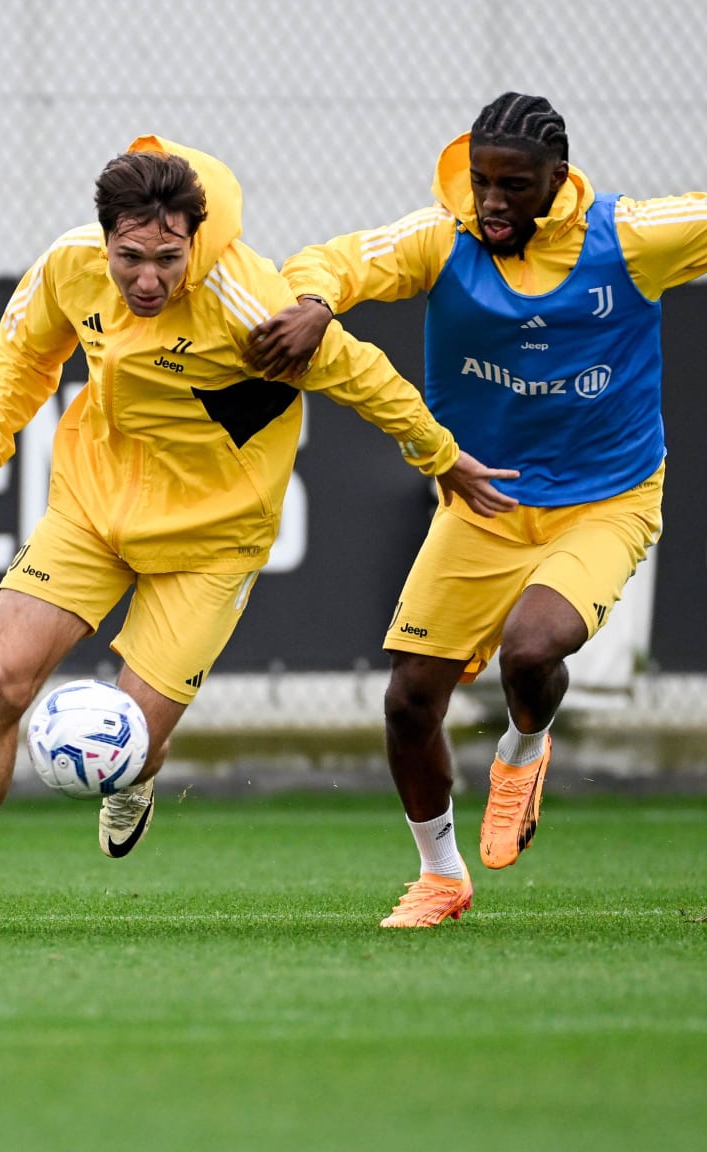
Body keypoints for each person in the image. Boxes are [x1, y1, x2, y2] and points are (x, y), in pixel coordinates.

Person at [0, 135, 518, 934]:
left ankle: (136, 778)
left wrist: (441, 457)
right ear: (104, 236)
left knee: (132, 745)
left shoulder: (251, 301)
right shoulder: (70, 266)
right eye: (131, 256)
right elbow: (21, 357)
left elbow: (366, 378)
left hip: (214, 541)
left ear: (194, 241)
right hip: (91, 508)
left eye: (168, 259)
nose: (148, 278)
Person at [247, 91, 707, 928]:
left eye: (514, 185)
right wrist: (316, 304)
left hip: (606, 499)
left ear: (558, 182)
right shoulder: (442, 235)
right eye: (481, 182)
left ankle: (523, 751)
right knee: (408, 702)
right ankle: (441, 877)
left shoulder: (632, 239)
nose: (491, 202)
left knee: (529, 653)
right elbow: (336, 258)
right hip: (482, 499)